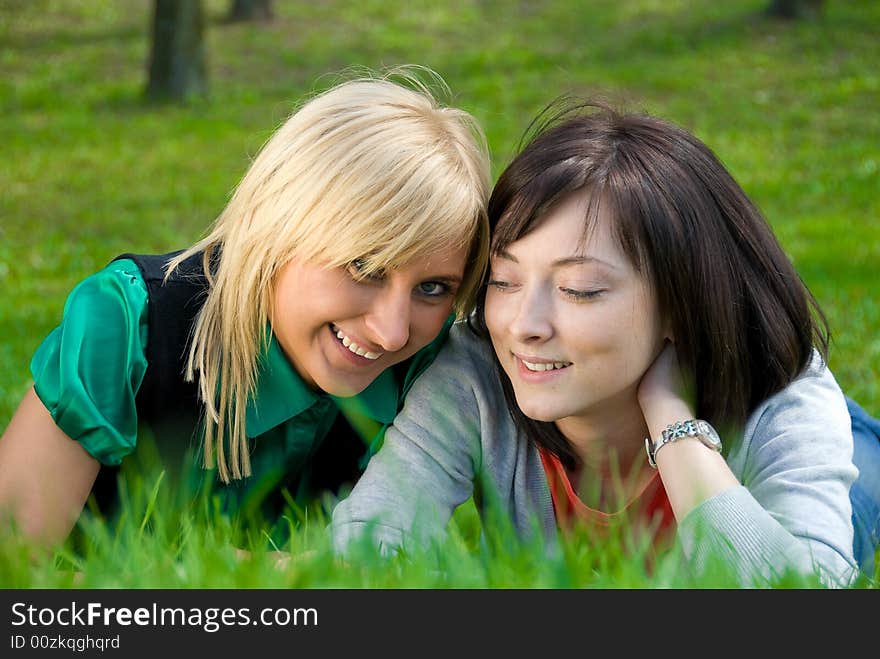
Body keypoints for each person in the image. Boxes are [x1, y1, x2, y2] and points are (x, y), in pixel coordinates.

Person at [332, 101, 878, 586]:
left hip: (836, 446)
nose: (525, 325)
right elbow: (365, 550)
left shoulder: (785, 399)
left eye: (579, 289)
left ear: (680, 303)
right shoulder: (474, 368)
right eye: (503, 280)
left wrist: (672, 423)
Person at [0, 67, 491, 550]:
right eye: (364, 266)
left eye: (431, 288)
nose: (391, 332)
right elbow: (14, 565)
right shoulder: (128, 323)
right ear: (278, 223)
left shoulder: (432, 363)